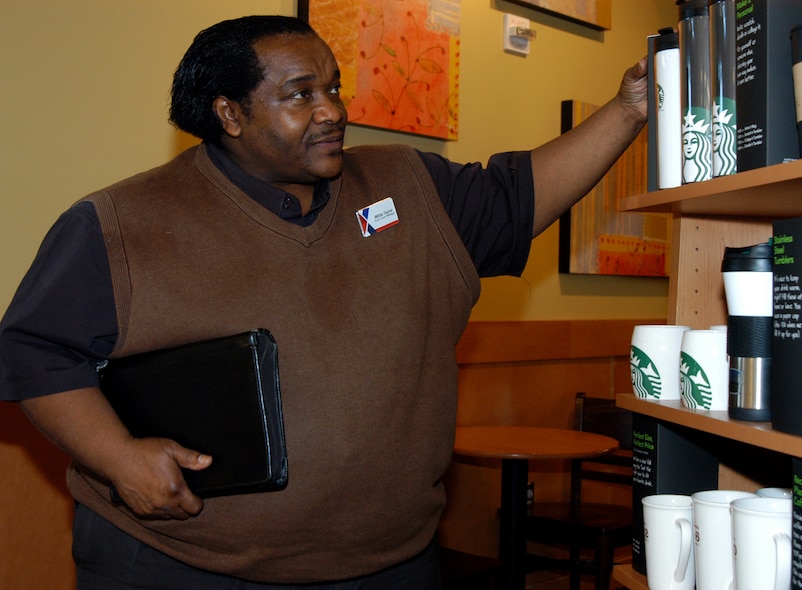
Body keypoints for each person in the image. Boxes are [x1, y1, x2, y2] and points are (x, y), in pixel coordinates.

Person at [0, 14, 647, 590]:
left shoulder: (407, 186)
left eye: (333, 87)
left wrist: (628, 107)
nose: (331, 109)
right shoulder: (121, 222)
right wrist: (117, 458)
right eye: (299, 95)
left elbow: (517, 197)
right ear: (230, 114)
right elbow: (33, 350)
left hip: (390, 564)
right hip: (179, 564)